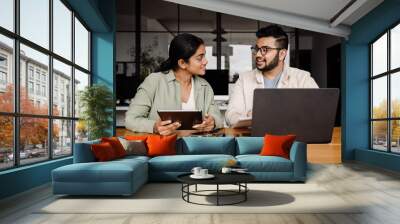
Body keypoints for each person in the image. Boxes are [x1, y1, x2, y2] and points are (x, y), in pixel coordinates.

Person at [125, 33, 224, 135]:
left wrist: (213, 122)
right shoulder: (154, 81)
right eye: (199, 58)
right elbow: (131, 119)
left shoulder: (205, 86)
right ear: (182, 63)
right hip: (163, 148)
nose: (206, 61)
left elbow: (218, 118)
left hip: (196, 147)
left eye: (204, 56)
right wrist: (154, 126)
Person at [225, 25, 319, 127]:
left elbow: (319, 112)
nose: (258, 55)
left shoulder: (302, 78)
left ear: (282, 54)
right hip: (255, 140)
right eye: (257, 49)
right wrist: (249, 118)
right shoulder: (244, 79)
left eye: (265, 49)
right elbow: (230, 116)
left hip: (292, 139)